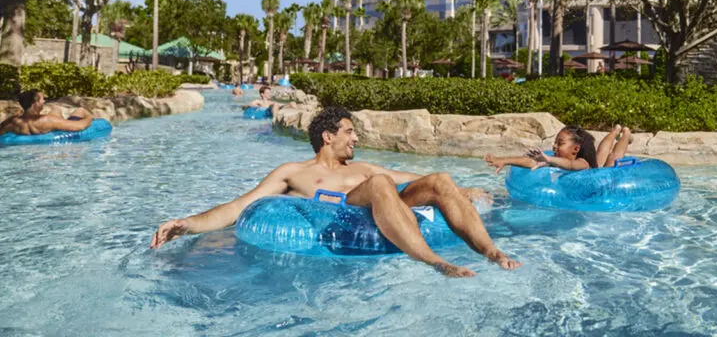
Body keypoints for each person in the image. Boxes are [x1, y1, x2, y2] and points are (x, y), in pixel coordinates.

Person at [151, 107, 519, 277]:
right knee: (378, 184)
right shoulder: (294, 173)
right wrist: (189, 224)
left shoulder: (364, 167)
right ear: (328, 137)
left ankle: (492, 252)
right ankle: (438, 263)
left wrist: (463, 188)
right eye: (349, 132)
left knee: (438, 177)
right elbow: (240, 206)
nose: (356, 138)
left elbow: (416, 178)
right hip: (344, 215)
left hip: (387, 204)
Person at [484, 125, 633, 173]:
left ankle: (625, 133)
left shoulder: (583, 163)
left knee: (613, 158)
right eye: (555, 142)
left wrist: (549, 159)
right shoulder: (556, 161)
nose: (554, 146)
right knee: (599, 155)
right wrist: (503, 160)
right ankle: (615, 131)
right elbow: (530, 162)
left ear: (575, 149)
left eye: (560, 143)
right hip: (594, 169)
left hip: (601, 178)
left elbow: (570, 165)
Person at [0, 90, 95, 135]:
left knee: (56, 109)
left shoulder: (13, 121)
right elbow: (79, 127)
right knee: (81, 110)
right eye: (42, 99)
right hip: (49, 131)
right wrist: (89, 117)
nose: (44, 101)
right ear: (35, 103)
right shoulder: (48, 120)